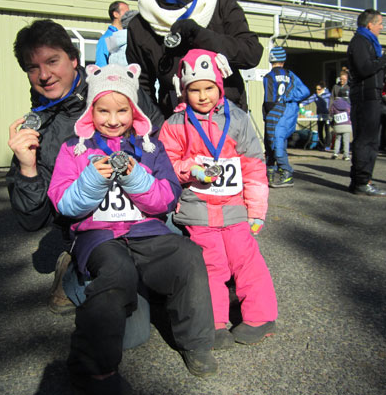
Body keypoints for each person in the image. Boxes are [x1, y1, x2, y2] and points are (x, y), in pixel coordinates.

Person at [47, 63, 218, 393]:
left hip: (145, 232)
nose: (113, 120)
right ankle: (91, 368)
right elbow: (65, 205)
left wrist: (135, 176)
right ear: (90, 112)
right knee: (117, 273)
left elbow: (165, 200)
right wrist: (93, 179)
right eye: (103, 111)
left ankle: (196, 342)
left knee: (187, 256)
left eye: (122, 110)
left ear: (134, 110)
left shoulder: (151, 147)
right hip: (99, 237)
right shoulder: (74, 149)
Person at [6, 19, 164, 315]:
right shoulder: (37, 129)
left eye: (53, 61)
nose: (44, 75)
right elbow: (33, 220)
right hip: (91, 228)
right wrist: (27, 168)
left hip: (144, 211)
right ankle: (74, 270)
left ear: (74, 59)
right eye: (32, 67)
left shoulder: (117, 86)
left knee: (178, 267)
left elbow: (161, 148)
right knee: (127, 316)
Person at [159, 48, 277, 348]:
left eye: (209, 88)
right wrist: (190, 169)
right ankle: (214, 322)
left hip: (235, 209)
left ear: (219, 86)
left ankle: (260, 316)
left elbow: (253, 166)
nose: (202, 96)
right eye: (194, 90)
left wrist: (257, 211)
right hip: (198, 211)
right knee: (211, 266)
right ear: (183, 91)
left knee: (247, 262)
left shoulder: (238, 119)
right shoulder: (174, 125)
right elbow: (165, 165)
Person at [126, 0, 263, 118]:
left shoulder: (221, 5)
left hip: (228, 124)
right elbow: (142, 86)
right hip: (176, 129)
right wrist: (158, 128)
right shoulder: (139, 25)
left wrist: (199, 35)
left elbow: (251, 53)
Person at [347, 8, 386, 196]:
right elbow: (364, 69)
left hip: (373, 96)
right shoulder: (360, 41)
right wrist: (383, 60)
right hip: (365, 97)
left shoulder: (369, 42)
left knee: (372, 140)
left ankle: (362, 180)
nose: (381, 27)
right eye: (379, 23)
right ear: (370, 24)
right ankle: (362, 181)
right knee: (366, 140)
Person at [263, 46, 310, 187]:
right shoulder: (291, 75)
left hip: (275, 115)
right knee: (279, 143)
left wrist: (267, 114)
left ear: (271, 59)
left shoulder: (269, 77)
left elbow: (269, 100)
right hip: (288, 115)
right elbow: (305, 91)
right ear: (283, 60)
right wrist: (290, 97)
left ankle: (285, 173)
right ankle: (271, 173)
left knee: (273, 144)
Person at [95, 1, 129, 67]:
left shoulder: (129, 35)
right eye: (126, 12)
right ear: (116, 14)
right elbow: (101, 65)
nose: (129, 15)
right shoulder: (107, 38)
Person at [300, 82, 332, 151]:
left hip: (327, 115)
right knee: (320, 130)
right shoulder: (315, 95)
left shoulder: (328, 95)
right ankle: (321, 144)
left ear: (323, 89)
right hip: (319, 115)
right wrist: (301, 104)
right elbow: (309, 100)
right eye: (316, 89)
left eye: (319, 89)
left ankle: (327, 145)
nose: (317, 91)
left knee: (327, 130)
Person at [329, 87, 352, 161]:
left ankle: (335, 153)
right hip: (347, 123)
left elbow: (331, 113)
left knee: (337, 139)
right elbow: (350, 112)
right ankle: (346, 155)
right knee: (346, 140)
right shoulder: (348, 103)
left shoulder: (334, 104)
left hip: (338, 124)